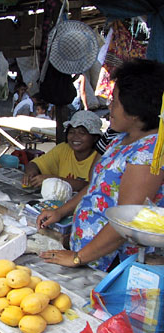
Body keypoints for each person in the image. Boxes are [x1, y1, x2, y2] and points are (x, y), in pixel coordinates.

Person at [38, 59, 164, 271]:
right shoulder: (120, 139)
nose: (109, 106)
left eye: (114, 101)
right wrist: (62, 211)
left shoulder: (149, 153)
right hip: (89, 253)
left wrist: (77, 257)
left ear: (135, 110)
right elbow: (97, 186)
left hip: (110, 261)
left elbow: (128, 220)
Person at [22, 110, 102, 191]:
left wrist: (55, 180)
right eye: (71, 132)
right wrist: (30, 174)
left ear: (95, 137)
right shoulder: (63, 149)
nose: (75, 136)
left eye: (82, 133)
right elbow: (34, 164)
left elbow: (91, 186)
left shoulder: (101, 158)